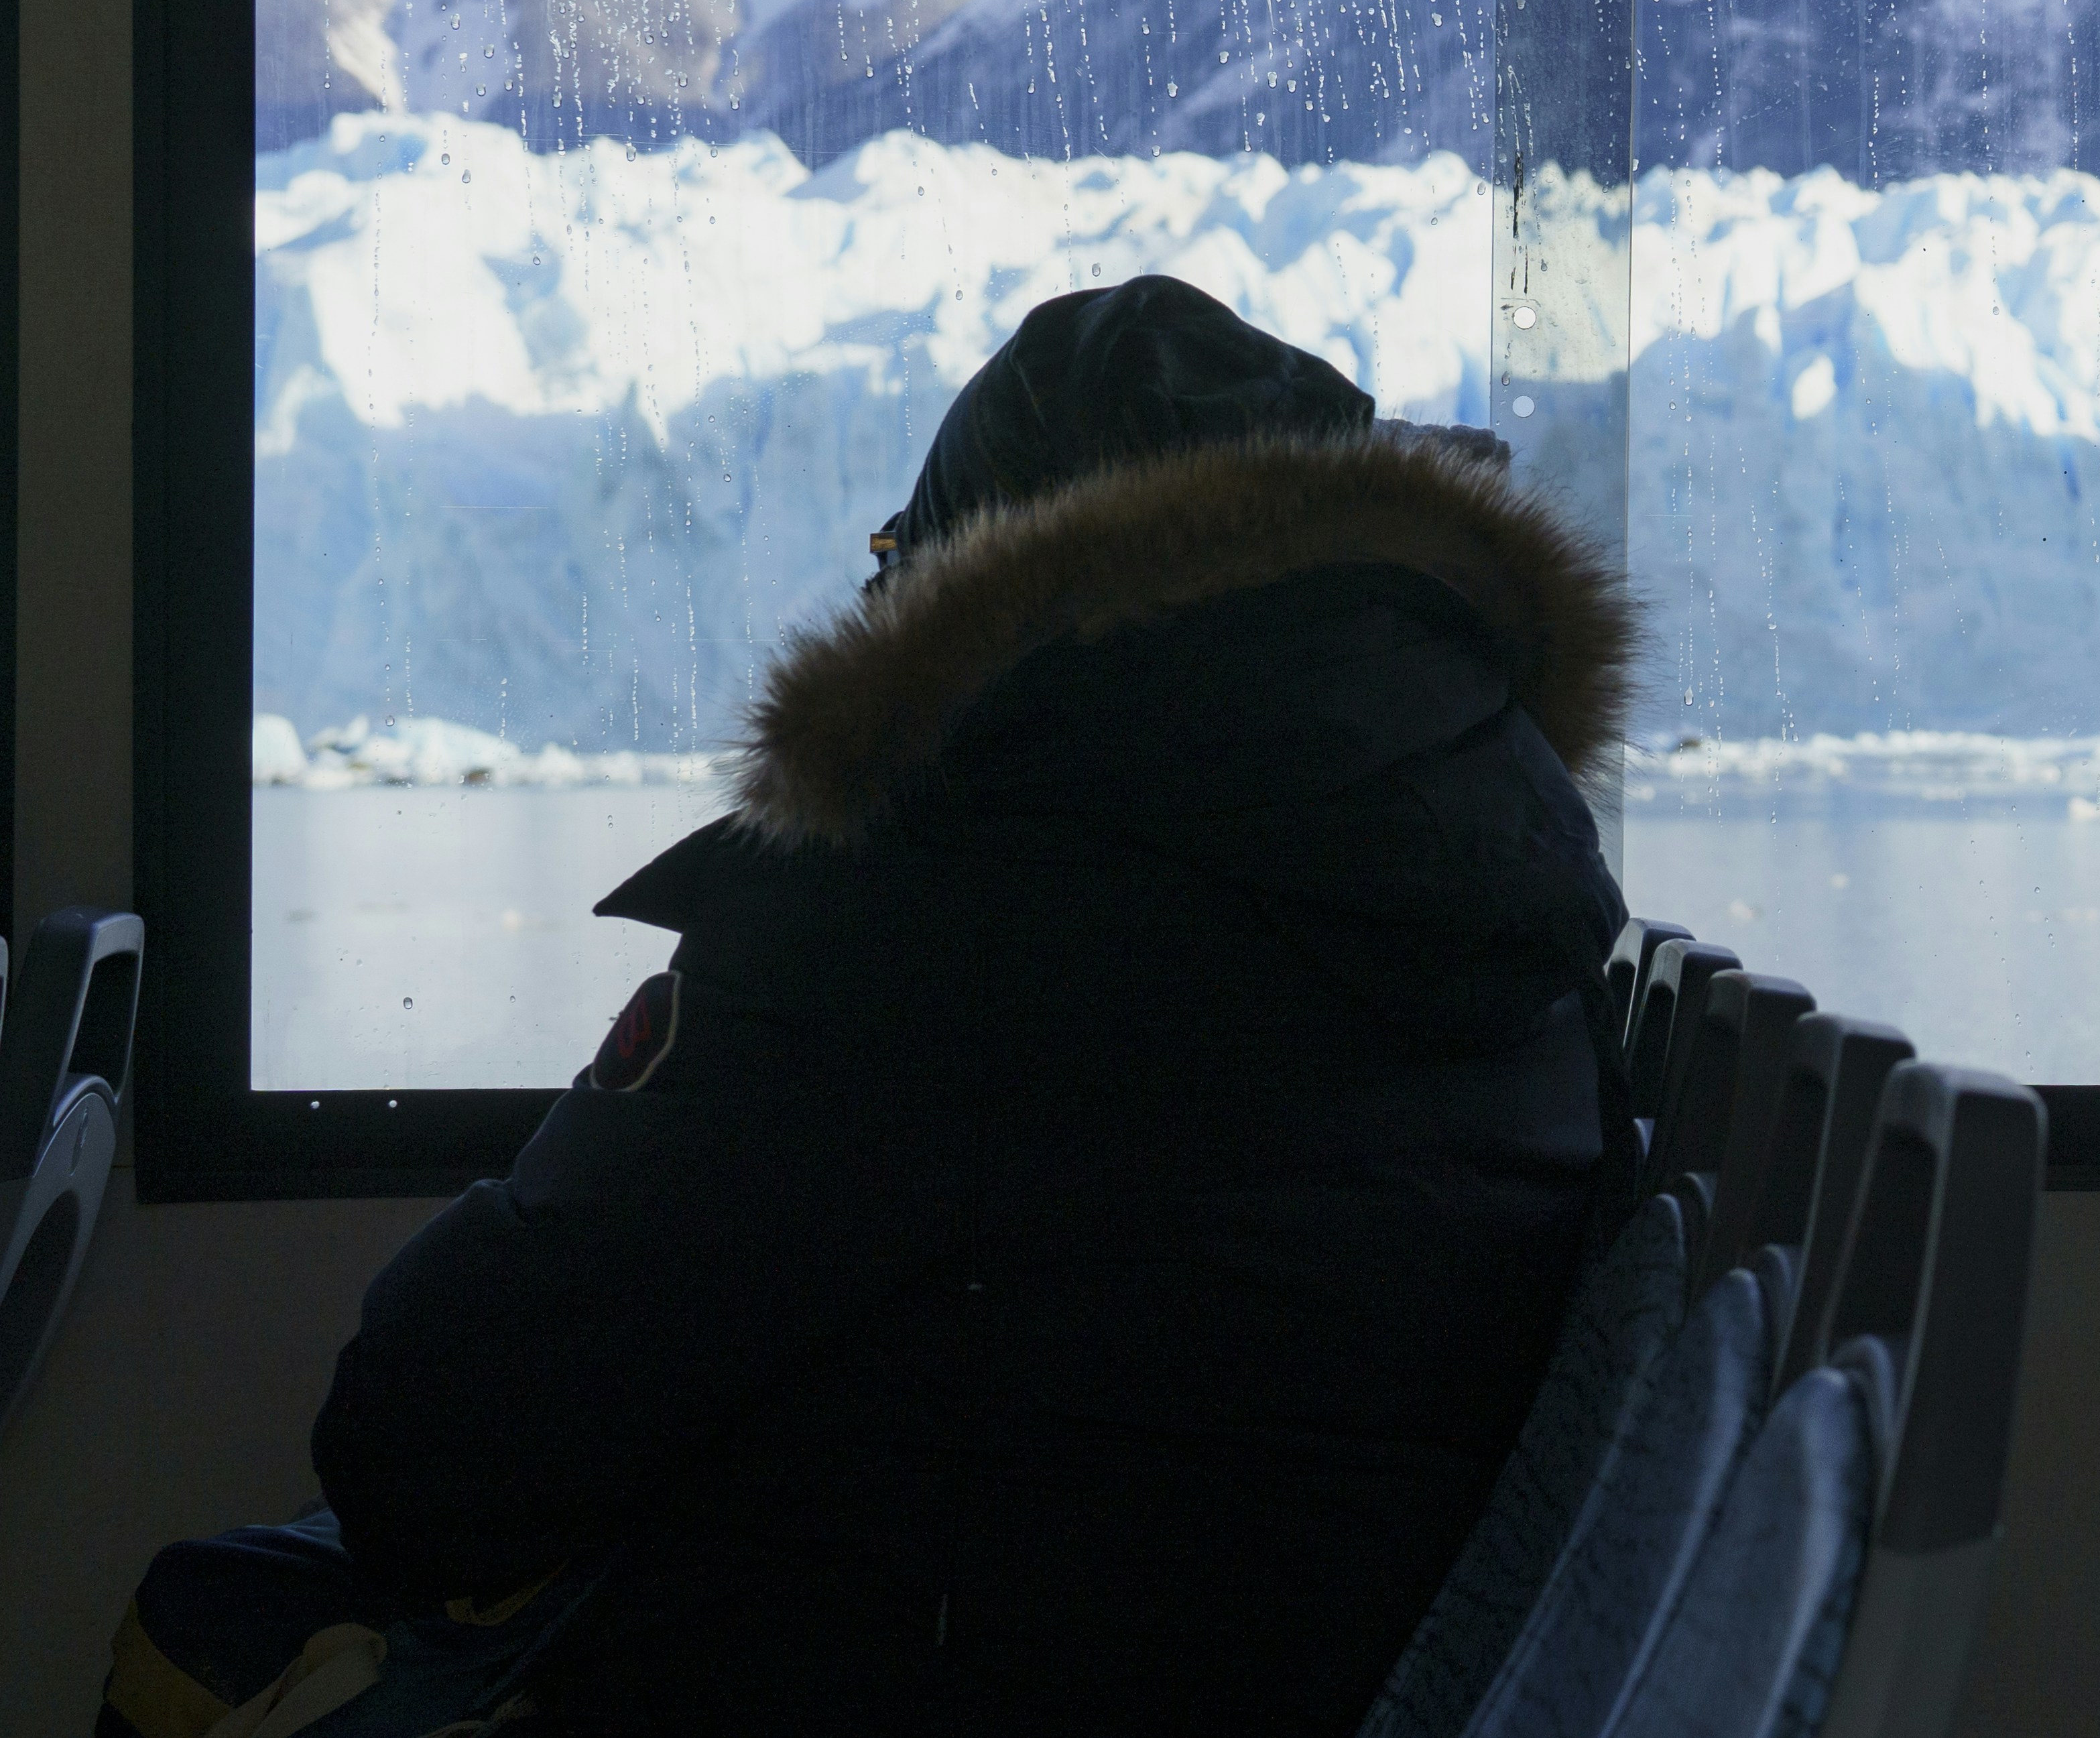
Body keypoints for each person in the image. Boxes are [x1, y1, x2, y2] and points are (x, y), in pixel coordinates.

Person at [105, 276, 1636, 1736]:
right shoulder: (1513, 916)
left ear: (977, 580)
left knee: (212, 1619)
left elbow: (432, 1443)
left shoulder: (948, 897)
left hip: (944, 1688)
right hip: (1281, 1667)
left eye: (902, 552)